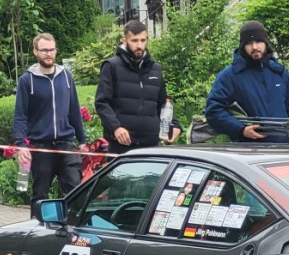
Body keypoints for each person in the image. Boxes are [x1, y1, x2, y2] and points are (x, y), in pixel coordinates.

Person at [13, 33, 90, 215]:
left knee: (75, 192)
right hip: (41, 148)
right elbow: (20, 115)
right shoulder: (27, 80)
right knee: (40, 195)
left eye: (52, 49)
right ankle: (37, 233)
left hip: (66, 145)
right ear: (35, 52)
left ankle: (72, 232)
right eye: (44, 50)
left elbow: (74, 111)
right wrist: (21, 145)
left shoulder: (66, 77)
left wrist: (82, 141)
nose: (49, 54)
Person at [204, 20, 289, 144]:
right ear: (242, 46)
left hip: (284, 152)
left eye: (259, 42)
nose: (254, 47)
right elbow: (213, 111)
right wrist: (241, 129)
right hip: (249, 154)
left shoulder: (279, 73)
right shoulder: (230, 76)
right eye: (249, 43)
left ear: (266, 43)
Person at [95, 20, 181, 154]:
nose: (139, 45)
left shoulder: (155, 69)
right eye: (134, 41)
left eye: (143, 40)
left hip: (151, 144)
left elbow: (163, 103)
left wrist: (174, 125)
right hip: (122, 145)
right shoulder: (111, 66)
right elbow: (101, 102)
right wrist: (116, 127)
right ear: (125, 40)